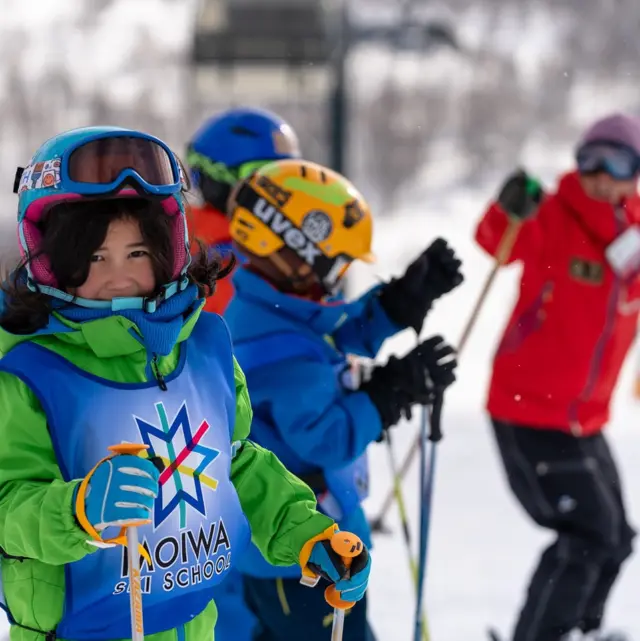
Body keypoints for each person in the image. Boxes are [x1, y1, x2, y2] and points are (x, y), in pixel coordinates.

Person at [0, 126, 371, 641]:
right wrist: (78, 510)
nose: (119, 276)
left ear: (168, 251)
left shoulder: (201, 351)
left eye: (136, 254)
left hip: (193, 622)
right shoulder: (30, 375)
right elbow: (8, 507)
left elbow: (237, 462)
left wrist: (308, 535)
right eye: (94, 259)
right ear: (53, 262)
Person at [224, 158, 463, 641]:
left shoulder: (264, 309)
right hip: (304, 556)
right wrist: (387, 393)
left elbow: (331, 333)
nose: (338, 278)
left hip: (291, 553)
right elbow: (328, 439)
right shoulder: (278, 356)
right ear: (293, 251)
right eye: (334, 262)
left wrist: (394, 306)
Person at [475, 113, 640, 641]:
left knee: (616, 537)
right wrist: (508, 208)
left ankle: (581, 631)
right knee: (587, 532)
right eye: (591, 158)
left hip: (585, 417)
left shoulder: (634, 235)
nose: (601, 174)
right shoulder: (551, 214)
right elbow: (496, 241)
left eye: (618, 162)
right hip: (528, 408)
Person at [186, 107, 301, 314]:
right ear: (213, 176)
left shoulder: (292, 245)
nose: (277, 192)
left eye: (286, 176)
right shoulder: (181, 244)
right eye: (261, 176)